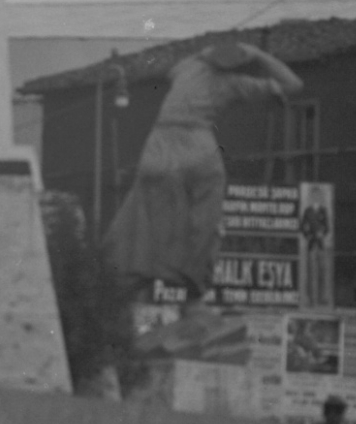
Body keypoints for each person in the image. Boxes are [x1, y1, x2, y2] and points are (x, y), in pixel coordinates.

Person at [103, 38, 304, 299]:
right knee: (205, 214)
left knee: (143, 214)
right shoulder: (234, 84)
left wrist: (206, 53)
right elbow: (294, 85)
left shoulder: (186, 67)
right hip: (196, 146)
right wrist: (259, 55)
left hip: (159, 144)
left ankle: (131, 273)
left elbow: (179, 63)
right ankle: (193, 281)